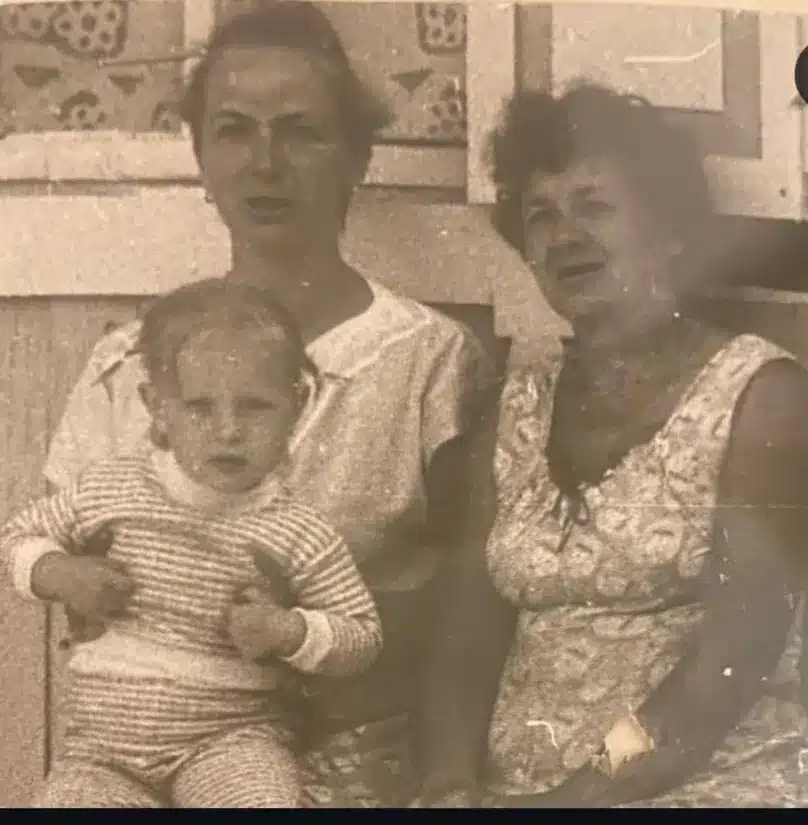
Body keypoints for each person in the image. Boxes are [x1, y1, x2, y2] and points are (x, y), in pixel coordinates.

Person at [21, 3, 511, 808]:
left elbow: (473, 596)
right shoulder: (126, 364)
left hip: (360, 768)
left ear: (356, 156)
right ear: (202, 157)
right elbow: (71, 587)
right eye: (234, 130)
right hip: (141, 762)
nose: (265, 162)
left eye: (302, 131)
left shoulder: (431, 361)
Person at [481, 83, 808, 807]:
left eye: (595, 206)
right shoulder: (520, 398)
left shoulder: (762, 397)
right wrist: (444, 784)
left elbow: (725, 668)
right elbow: (463, 623)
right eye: (541, 215)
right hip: (523, 791)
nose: (565, 236)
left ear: (670, 231)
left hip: (709, 777)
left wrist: (575, 796)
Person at [2, 279, 384, 808]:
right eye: (200, 407)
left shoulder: (298, 530)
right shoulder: (111, 488)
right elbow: (16, 537)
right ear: (157, 407)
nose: (228, 431)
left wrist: (289, 631)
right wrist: (59, 572)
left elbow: (361, 635)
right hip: (102, 752)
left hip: (229, 743)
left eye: (255, 407)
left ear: (296, 406)